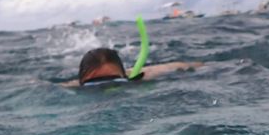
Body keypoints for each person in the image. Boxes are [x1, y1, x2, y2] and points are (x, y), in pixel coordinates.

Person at [63, 47, 203, 87]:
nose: (106, 88)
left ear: (125, 76)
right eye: (93, 84)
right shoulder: (73, 86)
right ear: (81, 82)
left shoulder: (145, 76)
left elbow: (181, 66)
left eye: (114, 81)